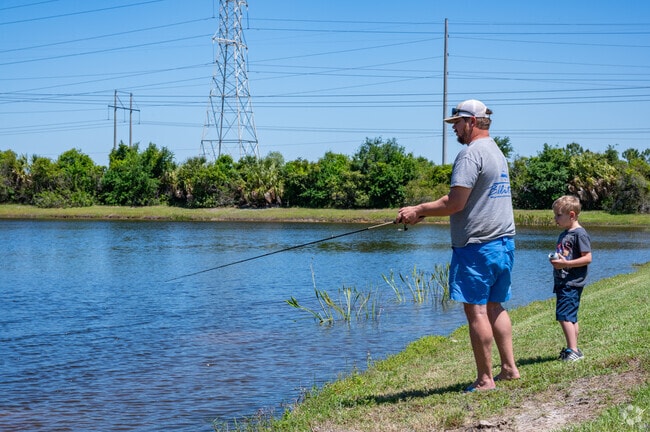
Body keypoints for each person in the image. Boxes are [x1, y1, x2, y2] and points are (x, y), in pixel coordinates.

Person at [396, 99, 520, 392]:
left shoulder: (470, 154)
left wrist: (418, 209)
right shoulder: (497, 152)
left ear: (472, 122)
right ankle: (510, 369)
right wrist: (425, 211)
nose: (454, 130)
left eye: (457, 124)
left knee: (476, 311)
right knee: (495, 306)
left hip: (477, 248)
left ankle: (485, 380)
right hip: (504, 244)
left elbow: (454, 203)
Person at [549, 195, 592, 361]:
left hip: (571, 282)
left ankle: (572, 350)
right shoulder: (565, 233)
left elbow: (587, 258)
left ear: (572, 215)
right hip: (563, 281)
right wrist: (557, 260)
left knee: (564, 316)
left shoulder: (579, 234)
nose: (555, 219)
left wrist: (566, 263)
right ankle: (574, 349)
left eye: (558, 215)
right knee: (570, 317)